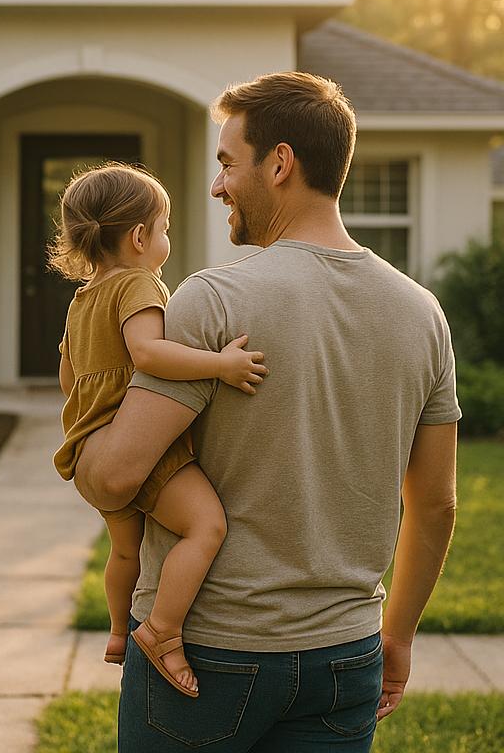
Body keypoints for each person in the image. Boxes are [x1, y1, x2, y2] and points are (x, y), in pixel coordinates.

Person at [75, 72, 460, 753]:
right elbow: (435, 507)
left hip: (209, 653)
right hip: (347, 656)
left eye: (228, 162)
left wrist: (81, 414)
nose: (218, 185)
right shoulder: (422, 313)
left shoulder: (213, 299)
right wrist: (396, 636)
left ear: (279, 163)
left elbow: (113, 478)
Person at [51, 163, 267, 697]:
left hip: (86, 453)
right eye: (165, 226)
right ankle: (162, 631)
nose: (168, 238)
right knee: (205, 527)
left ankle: (119, 633)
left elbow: (67, 376)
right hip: (141, 447)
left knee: (127, 552)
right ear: (140, 236)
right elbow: (148, 352)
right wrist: (219, 365)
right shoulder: (138, 283)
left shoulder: (82, 298)